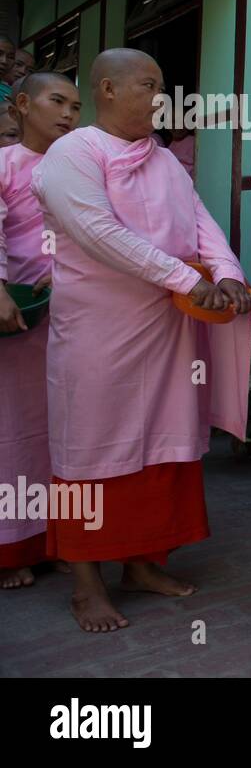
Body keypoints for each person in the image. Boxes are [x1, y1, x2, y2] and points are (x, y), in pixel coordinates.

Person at [31, 49, 251, 633]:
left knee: (163, 446)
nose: (161, 97)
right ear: (107, 88)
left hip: (169, 331)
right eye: (149, 85)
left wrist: (227, 271)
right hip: (99, 333)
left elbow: (201, 221)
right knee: (90, 450)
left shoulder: (161, 161)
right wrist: (185, 278)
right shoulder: (73, 153)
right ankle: (85, 585)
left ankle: (142, 563)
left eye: (162, 86)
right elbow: (97, 232)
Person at [0, 72, 81, 588]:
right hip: (16, 316)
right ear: (23, 104)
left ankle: (56, 538)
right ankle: (11, 548)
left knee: (61, 433)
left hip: (70, 318)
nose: (70, 114)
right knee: (12, 434)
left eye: (76, 105)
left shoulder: (78, 168)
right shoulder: (4, 165)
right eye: (58, 101)